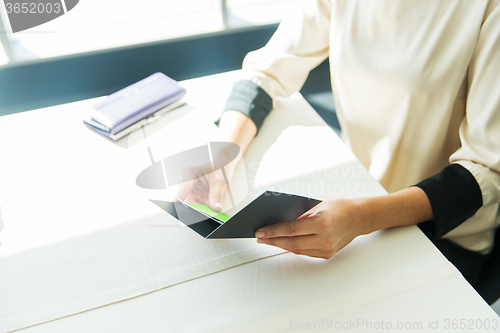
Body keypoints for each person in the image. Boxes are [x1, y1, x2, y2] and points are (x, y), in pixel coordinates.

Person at [177, 0, 500, 299]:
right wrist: (220, 156)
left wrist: (362, 216)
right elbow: (267, 72)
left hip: (442, 232)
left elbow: (484, 170)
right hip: (354, 199)